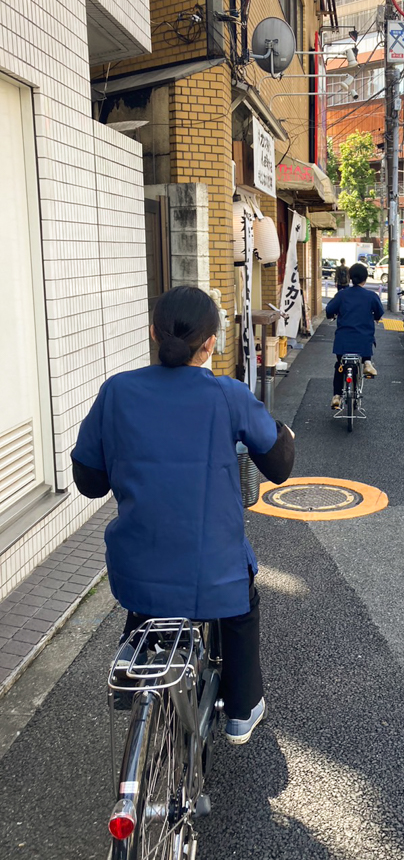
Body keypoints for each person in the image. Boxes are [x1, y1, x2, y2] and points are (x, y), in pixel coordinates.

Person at [71, 286, 294, 745]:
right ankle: (241, 711)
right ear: (211, 343)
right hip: (214, 572)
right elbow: (279, 466)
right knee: (241, 608)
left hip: (136, 568)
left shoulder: (116, 392)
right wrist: (281, 432)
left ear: (153, 332)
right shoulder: (227, 395)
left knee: (148, 601)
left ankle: (133, 675)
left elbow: (89, 482)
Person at [325, 262, 384, 409]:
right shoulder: (371, 296)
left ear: (350, 278)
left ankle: (337, 396)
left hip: (343, 342)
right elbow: (379, 312)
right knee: (365, 342)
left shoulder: (342, 295)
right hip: (363, 341)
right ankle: (367, 362)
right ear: (365, 279)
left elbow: (329, 310)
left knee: (339, 365)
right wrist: (375, 317)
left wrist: (333, 315)